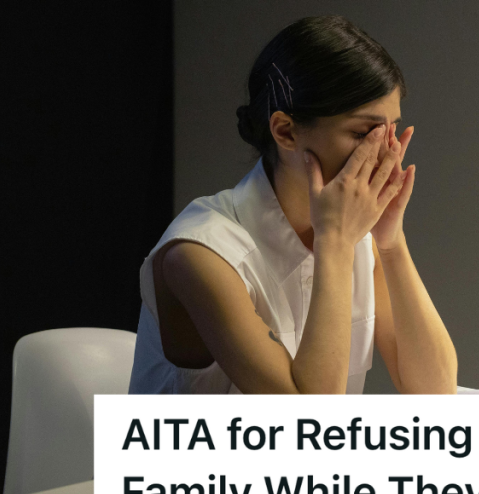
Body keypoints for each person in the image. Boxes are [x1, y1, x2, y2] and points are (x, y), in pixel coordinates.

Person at [129, 15, 457, 394]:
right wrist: (333, 244)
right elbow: (308, 430)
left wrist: (391, 242)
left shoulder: (357, 235)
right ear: (285, 131)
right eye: (364, 133)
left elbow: (436, 395)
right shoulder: (199, 254)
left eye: (391, 130)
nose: (386, 153)